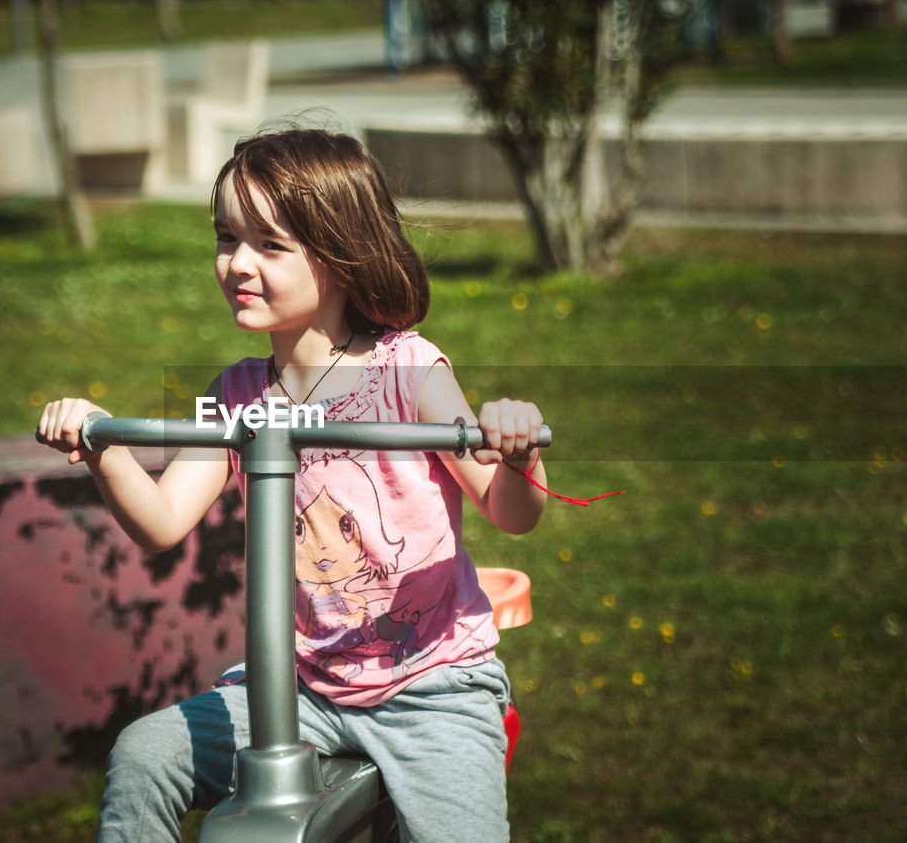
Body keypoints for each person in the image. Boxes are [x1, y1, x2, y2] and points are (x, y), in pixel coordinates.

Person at [37, 128, 548, 842]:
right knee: (145, 754)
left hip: (429, 689)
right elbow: (161, 521)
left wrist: (519, 455)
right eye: (226, 238)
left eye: (270, 246)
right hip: (295, 688)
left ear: (340, 257)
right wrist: (104, 447)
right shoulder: (238, 392)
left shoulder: (409, 372)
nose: (237, 264)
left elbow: (510, 510)